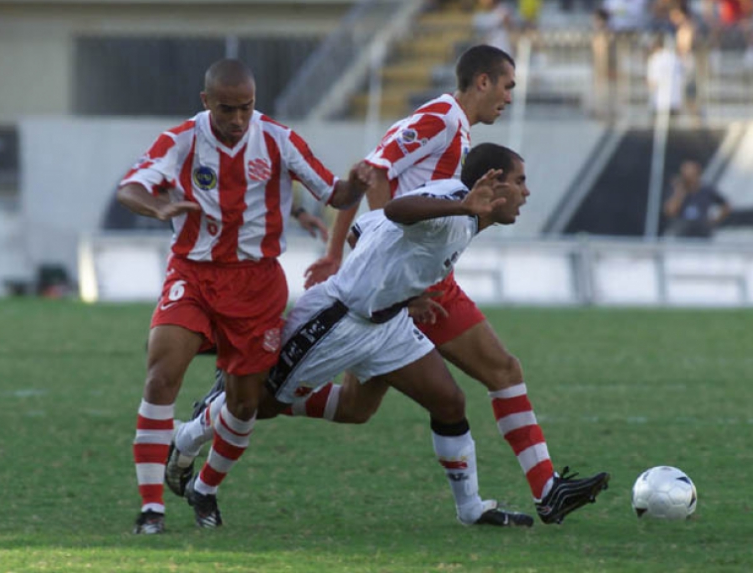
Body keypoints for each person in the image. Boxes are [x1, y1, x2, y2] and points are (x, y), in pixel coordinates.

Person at [173, 44, 610, 527]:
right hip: (355, 306)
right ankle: (200, 430)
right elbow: (373, 171)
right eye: (507, 85)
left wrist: (382, 260)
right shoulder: (444, 126)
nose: (510, 97)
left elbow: (388, 197)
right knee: (254, 404)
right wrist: (357, 250)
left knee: (395, 404)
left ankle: (480, 507)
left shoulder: (463, 170)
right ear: (482, 81)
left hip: (399, 295)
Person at [182, 144, 550, 530]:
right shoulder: (453, 206)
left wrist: (401, 291)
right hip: (339, 321)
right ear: (491, 182)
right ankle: (193, 444)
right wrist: (460, 208)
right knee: (258, 403)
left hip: (388, 325)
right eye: (520, 181)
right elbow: (394, 211)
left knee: (448, 402)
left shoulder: (462, 214)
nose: (526, 192)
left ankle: (471, 508)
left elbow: (366, 230)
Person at [119, 58, 369, 535]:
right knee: (159, 378)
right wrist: (158, 206)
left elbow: (336, 194)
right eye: (227, 109)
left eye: (246, 108)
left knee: (245, 403)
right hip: (193, 275)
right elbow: (131, 187)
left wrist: (357, 181)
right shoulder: (180, 141)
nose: (237, 120)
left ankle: (206, 490)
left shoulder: (279, 139)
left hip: (257, 286)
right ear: (205, 101)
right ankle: (151, 511)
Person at [662, 160, 731, 237]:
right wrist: (680, 193)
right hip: (682, 230)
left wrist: (715, 221)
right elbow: (670, 212)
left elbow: (725, 206)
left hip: (702, 229)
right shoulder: (677, 190)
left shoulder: (706, 190)